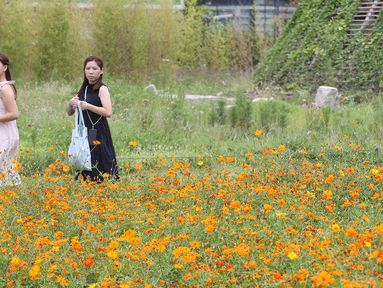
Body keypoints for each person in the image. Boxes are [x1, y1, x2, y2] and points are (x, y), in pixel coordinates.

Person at [67, 56, 119, 182]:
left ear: (101, 71)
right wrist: (70, 103)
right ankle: (89, 186)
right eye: (88, 68)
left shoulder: (102, 89)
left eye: (94, 68)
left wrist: (88, 106)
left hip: (98, 130)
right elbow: (70, 113)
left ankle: (104, 186)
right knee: (87, 157)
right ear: (84, 71)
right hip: (86, 131)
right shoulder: (83, 89)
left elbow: (108, 112)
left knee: (100, 159)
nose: (91, 71)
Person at [0, 53, 21, 187]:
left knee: (5, 170)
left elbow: (14, 113)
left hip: (4, 134)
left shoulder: (4, 88)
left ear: (5, 67)